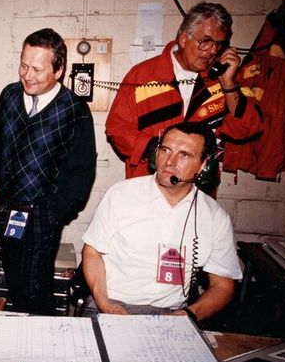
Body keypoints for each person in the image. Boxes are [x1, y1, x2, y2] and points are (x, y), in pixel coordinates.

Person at [81, 123, 241, 321]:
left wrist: (186, 315)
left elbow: (223, 285)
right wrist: (105, 303)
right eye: (165, 150)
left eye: (184, 155)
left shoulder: (215, 216)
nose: (170, 162)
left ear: (203, 164)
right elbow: (92, 252)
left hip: (173, 313)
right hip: (111, 303)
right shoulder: (121, 194)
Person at [0, 28, 96, 315]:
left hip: (43, 214)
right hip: (7, 209)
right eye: (24, 65)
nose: (27, 75)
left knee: (36, 290)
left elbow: (82, 171)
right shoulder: (9, 96)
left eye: (37, 68)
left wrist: (54, 214)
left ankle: (43, 346)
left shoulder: (74, 110)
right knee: (12, 283)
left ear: (58, 69)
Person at [105, 2, 263, 179]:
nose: (212, 51)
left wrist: (228, 84)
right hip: (147, 184)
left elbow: (249, 128)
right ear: (183, 39)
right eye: (206, 41)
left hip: (196, 190)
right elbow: (117, 128)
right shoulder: (142, 75)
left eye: (219, 44)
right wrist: (154, 151)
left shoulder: (226, 81)